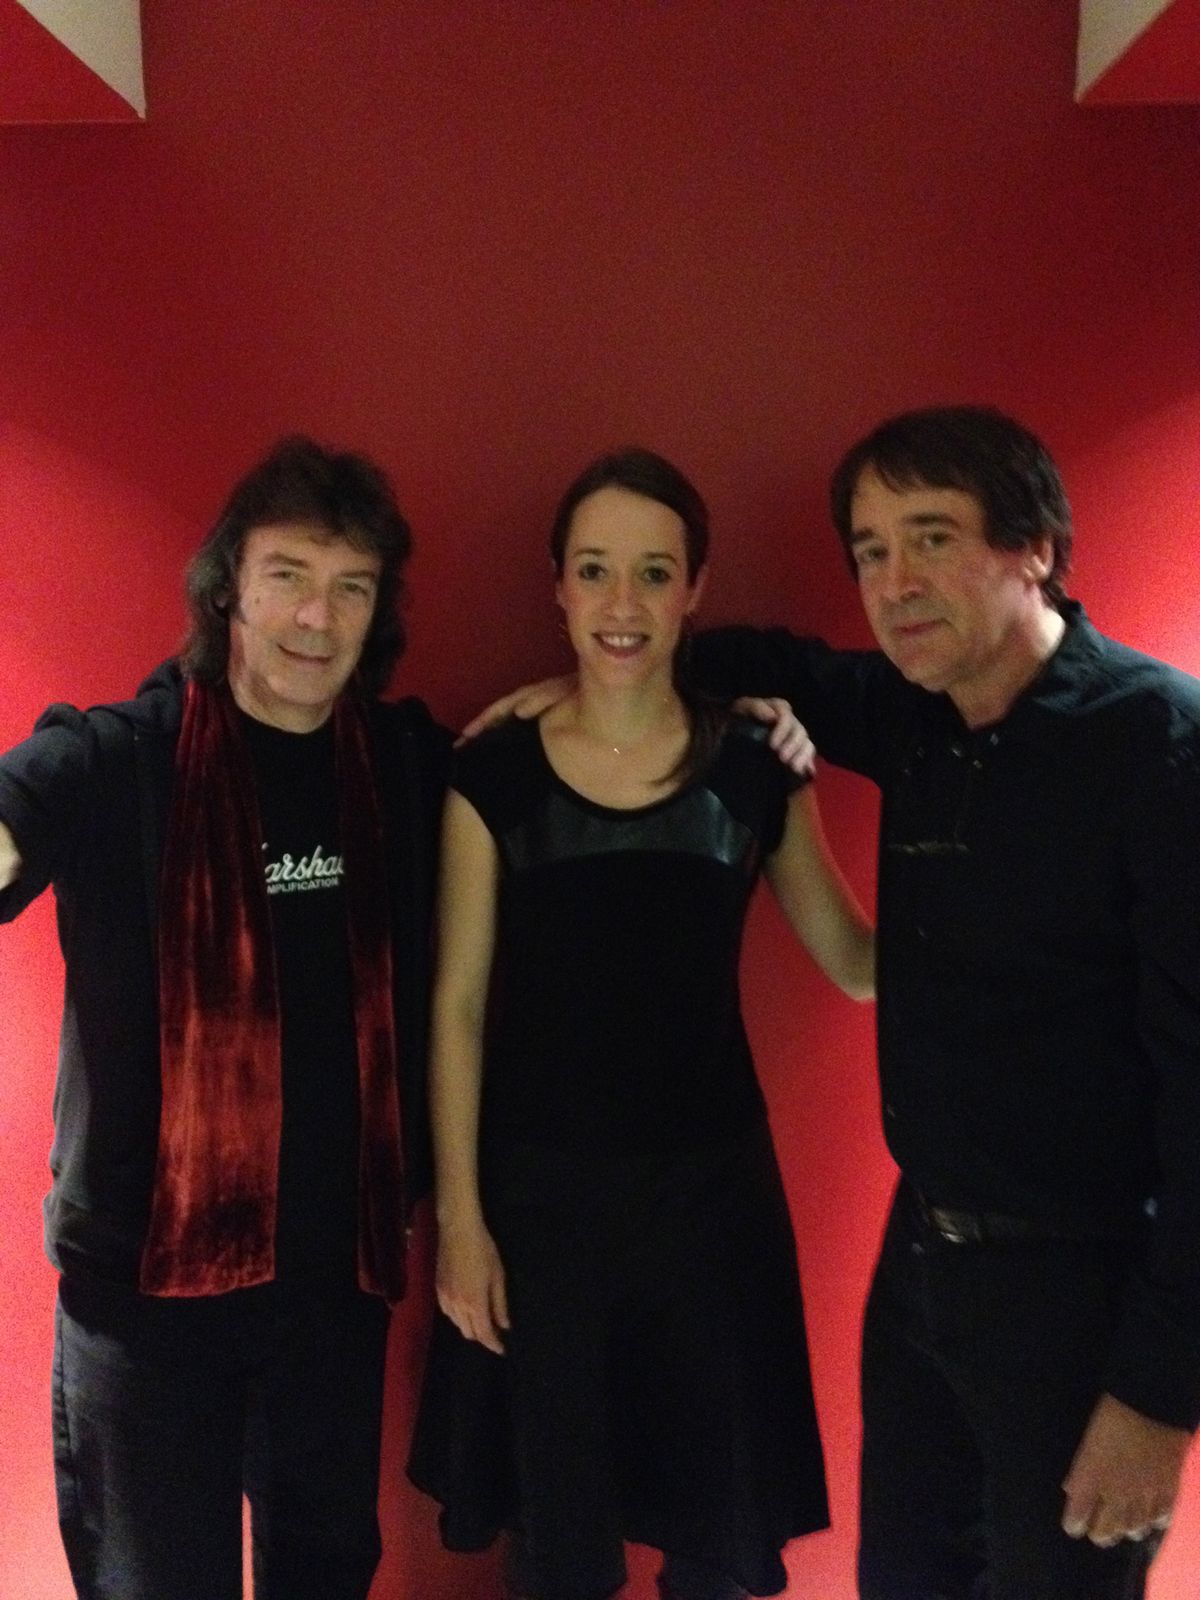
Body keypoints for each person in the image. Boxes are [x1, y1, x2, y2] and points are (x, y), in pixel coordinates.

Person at [469, 407, 1200, 1600]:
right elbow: (736, 654)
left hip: (1081, 1290)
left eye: (931, 538)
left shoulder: (1159, 744)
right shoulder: (914, 708)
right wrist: (601, 675)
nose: (895, 582)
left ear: (1036, 549)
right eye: (870, 549)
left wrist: (1162, 1392)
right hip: (921, 1275)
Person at [407, 447, 874, 1600]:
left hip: (712, 1207)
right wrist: (461, 1220)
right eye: (596, 570)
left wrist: (1014, 901)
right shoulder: (494, 772)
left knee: (711, 1541)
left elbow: (858, 965)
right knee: (558, 1547)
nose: (623, 602)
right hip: (540, 1210)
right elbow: (458, 1006)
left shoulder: (757, 767)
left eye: (654, 572)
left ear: (694, 588)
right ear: (558, 586)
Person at [0, 437, 450, 1600]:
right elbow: (15, 813)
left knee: (324, 1575)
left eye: (351, 586)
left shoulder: (405, 769)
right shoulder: (119, 763)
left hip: (332, 1291)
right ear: (228, 588)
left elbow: (557, 761)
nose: (317, 616)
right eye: (289, 574)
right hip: (145, 1305)